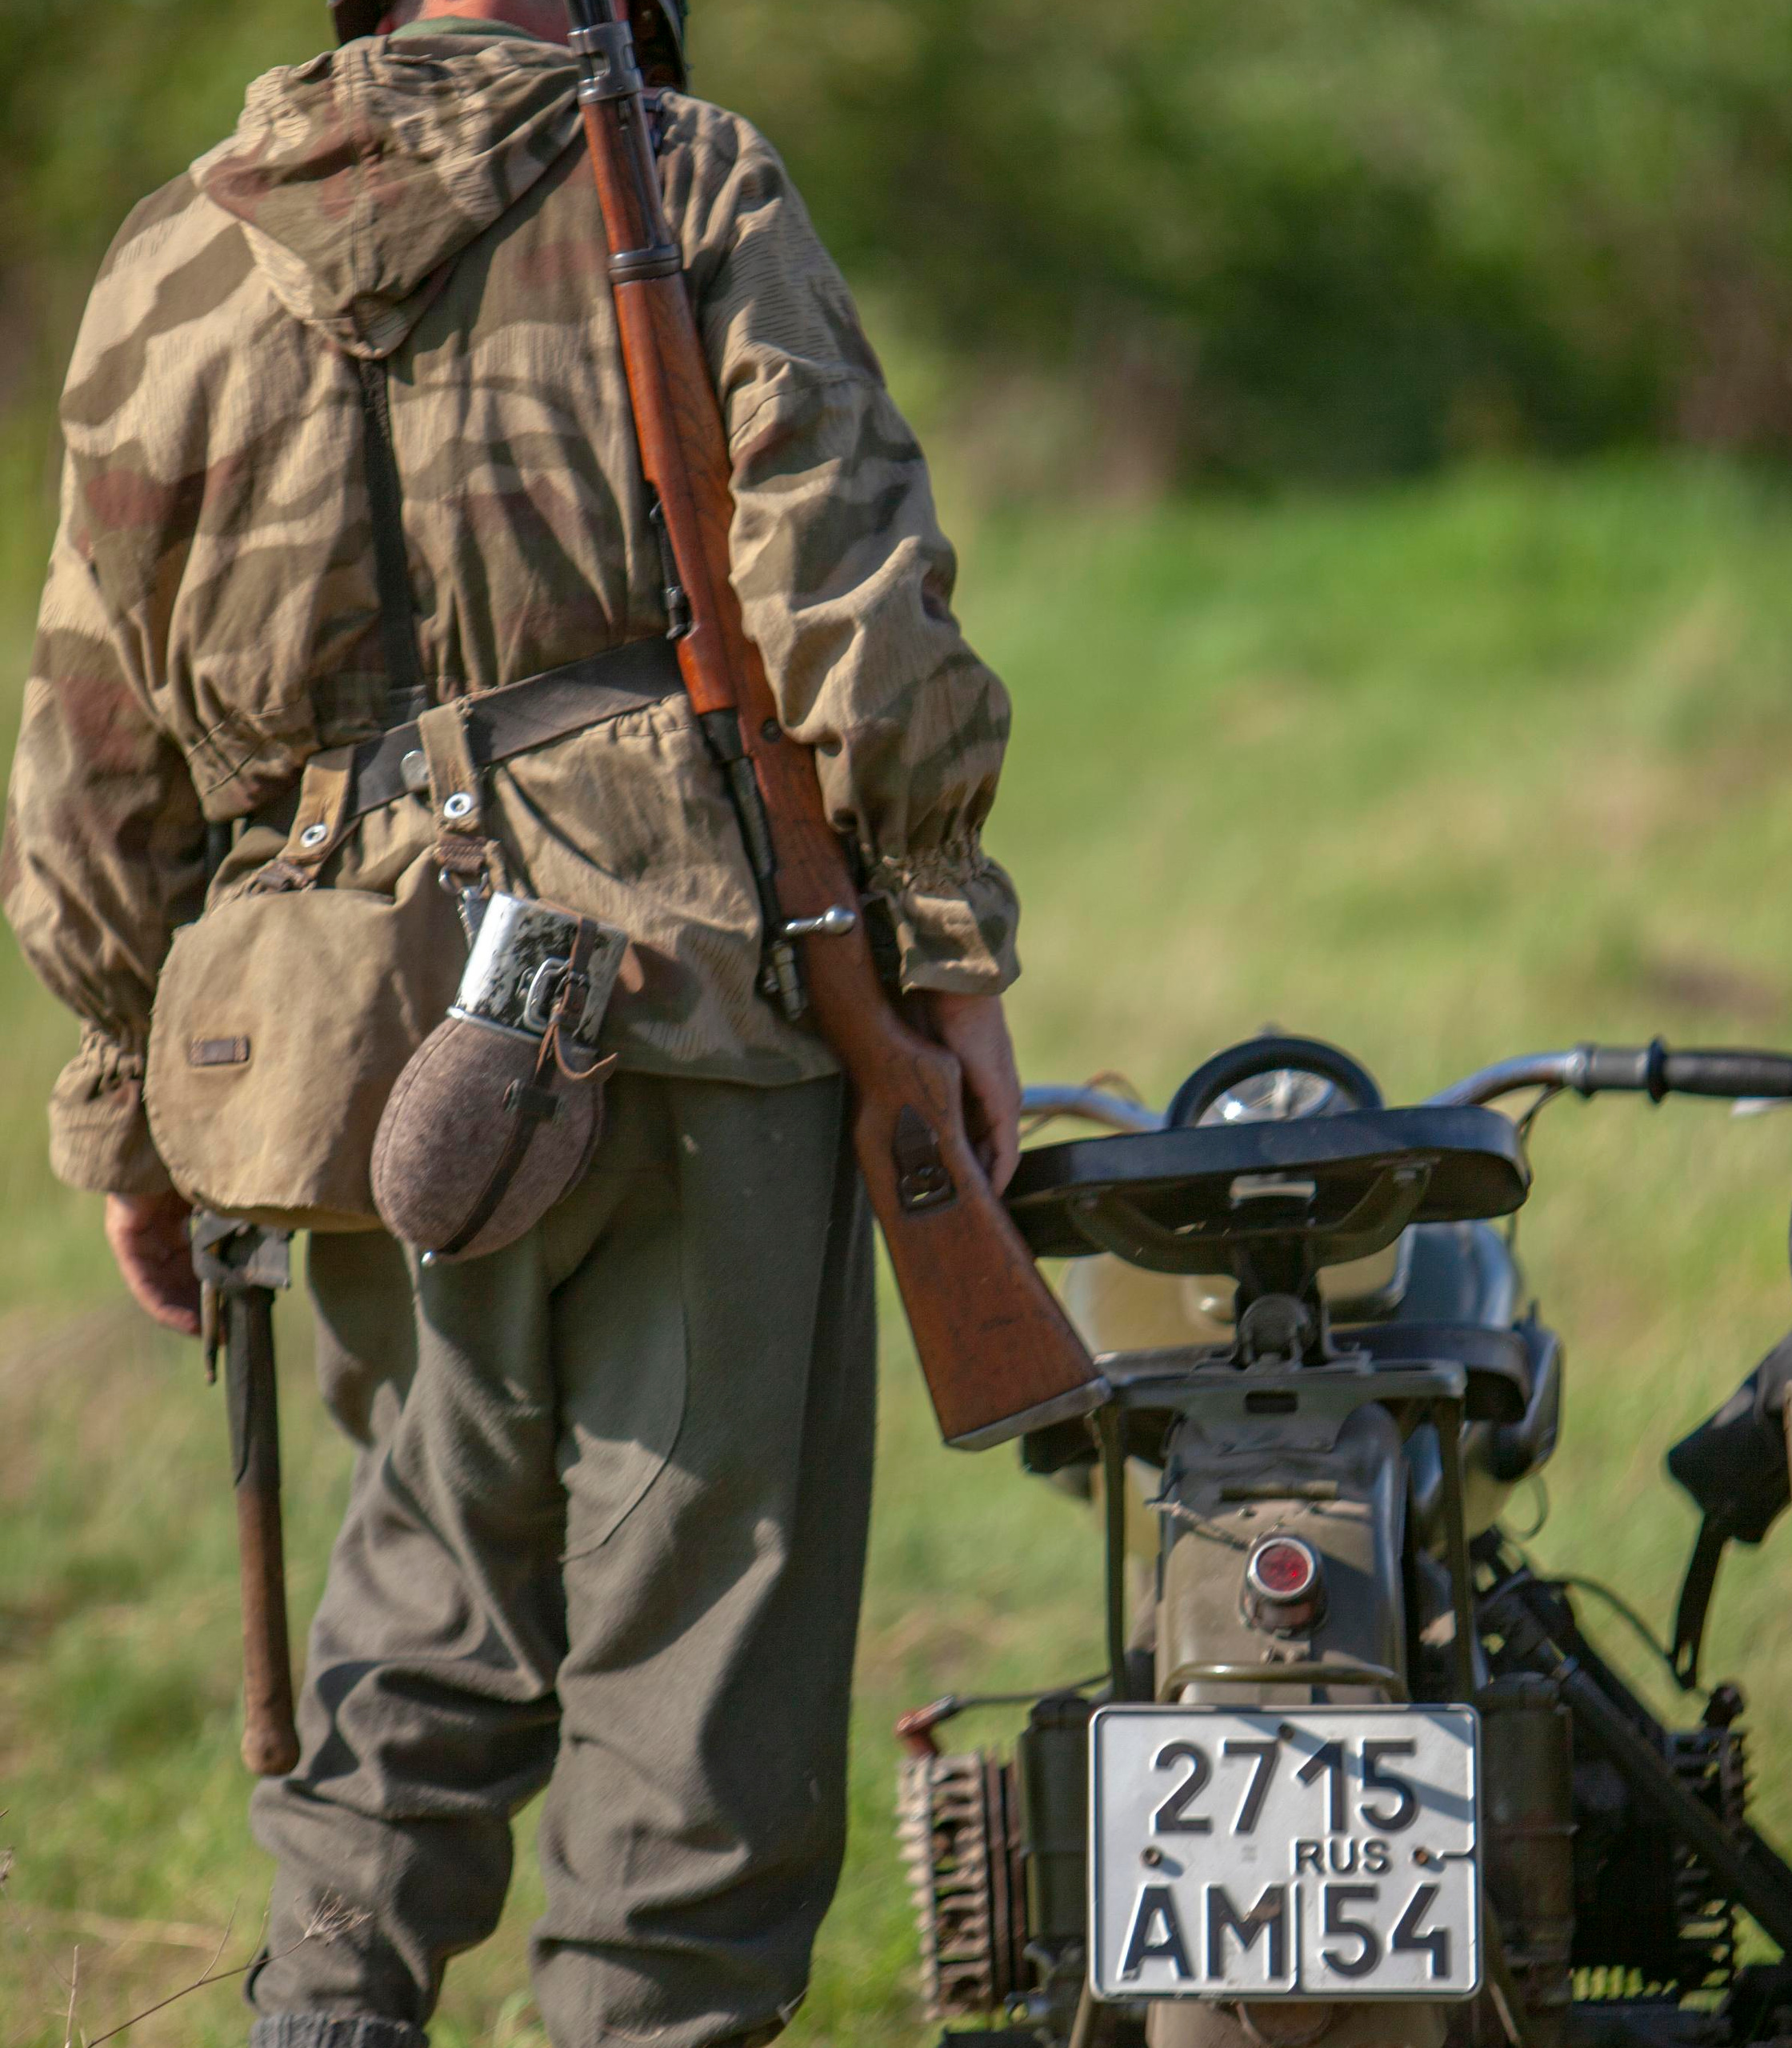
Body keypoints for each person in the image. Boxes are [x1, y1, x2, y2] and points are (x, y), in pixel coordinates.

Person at [1, 0, 1026, 2039]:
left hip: (342, 1046)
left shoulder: (169, 254)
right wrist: (939, 936)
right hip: (696, 1005)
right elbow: (850, 591)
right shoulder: (693, 175)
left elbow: (90, 753)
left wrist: (126, 1093)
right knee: (695, 1679)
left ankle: (322, 2013)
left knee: (421, 1603)